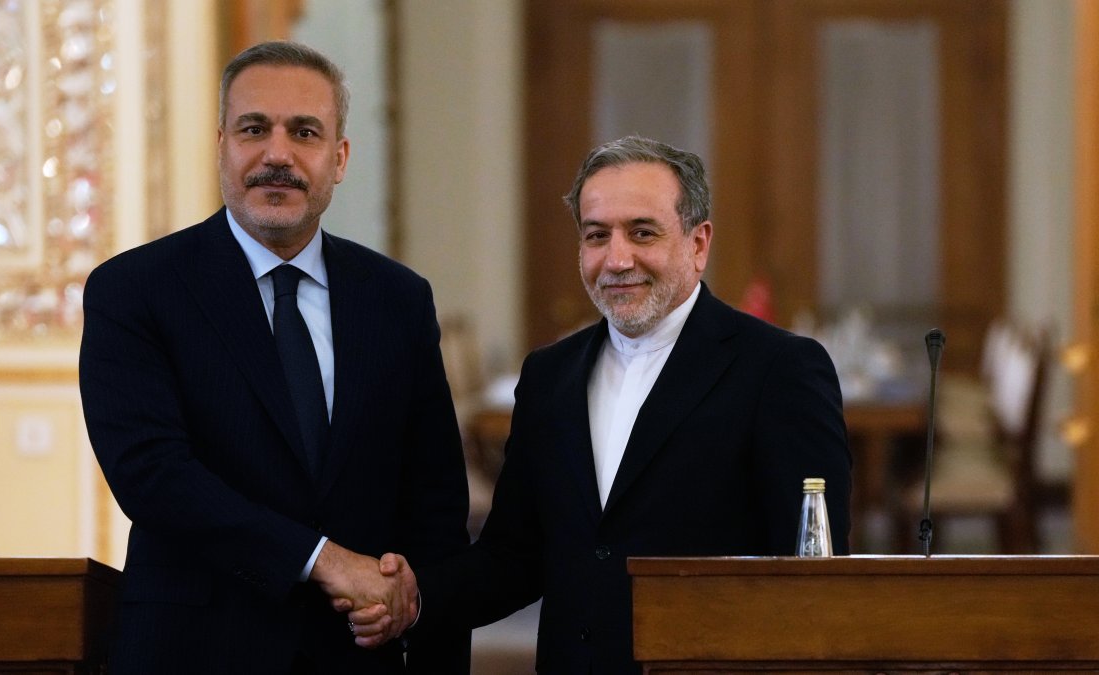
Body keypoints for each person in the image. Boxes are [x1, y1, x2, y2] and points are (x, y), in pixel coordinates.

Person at [347, 135, 853, 674]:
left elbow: (811, 574)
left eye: (642, 233)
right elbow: (514, 558)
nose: (617, 258)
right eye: (596, 235)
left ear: (698, 244)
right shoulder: (549, 376)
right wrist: (411, 598)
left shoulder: (779, 369)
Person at [78, 41, 469, 674]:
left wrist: (416, 614)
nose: (277, 155)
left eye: (304, 132)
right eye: (254, 129)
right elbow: (152, 475)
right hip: (193, 653)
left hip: (354, 657)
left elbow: (435, 504)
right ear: (222, 146)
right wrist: (324, 559)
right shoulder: (135, 290)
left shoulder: (397, 299)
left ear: (339, 159)